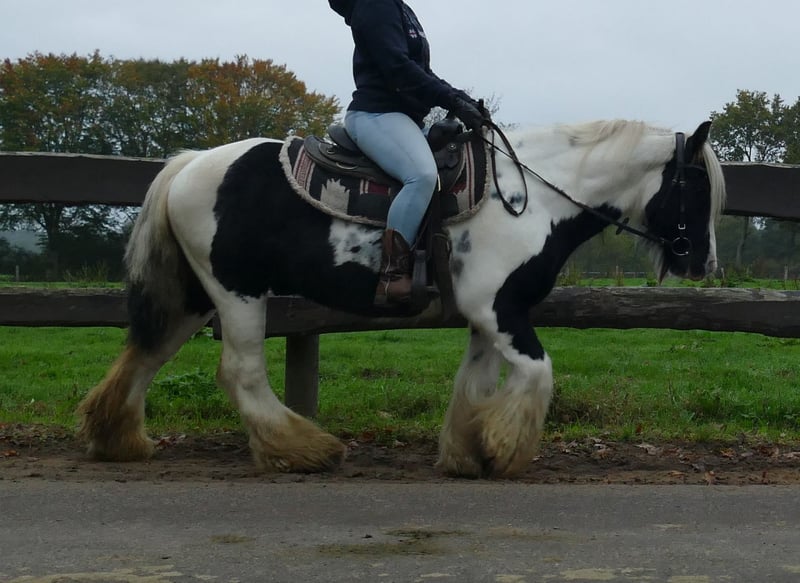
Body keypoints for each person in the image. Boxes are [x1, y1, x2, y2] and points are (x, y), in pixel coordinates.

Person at [329, 0, 489, 305]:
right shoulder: (375, 5)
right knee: (422, 176)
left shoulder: (400, 8)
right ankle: (392, 275)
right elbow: (398, 69)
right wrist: (452, 101)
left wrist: (462, 99)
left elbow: (421, 72)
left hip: (405, 120)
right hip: (376, 114)